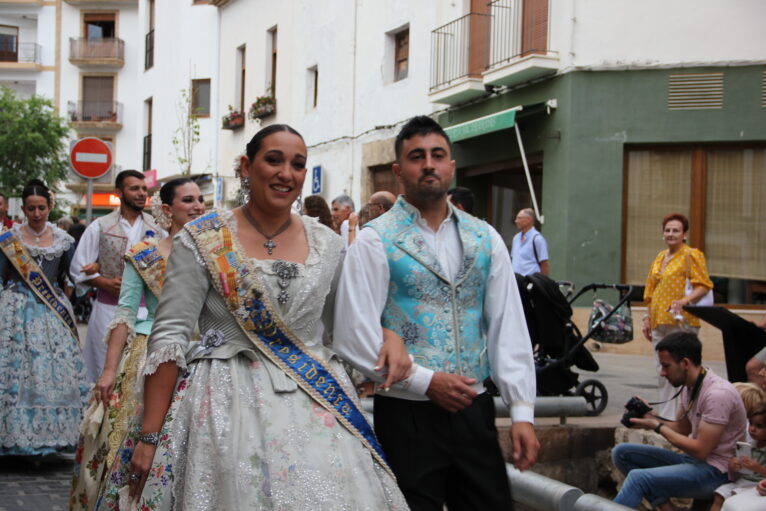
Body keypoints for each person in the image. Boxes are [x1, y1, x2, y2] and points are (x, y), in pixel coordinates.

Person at [96, 125, 408, 510]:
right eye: (273, 160)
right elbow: (171, 336)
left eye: (297, 164)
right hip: (225, 404)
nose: (286, 173)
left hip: (315, 403)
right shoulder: (202, 238)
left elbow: (348, 322)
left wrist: (388, 334)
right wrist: (149, 436)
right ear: (247, 165)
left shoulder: (327, 243)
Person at [334, 115, 539, 510]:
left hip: (473, 408)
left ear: (451, 165)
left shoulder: (486, 237)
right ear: (399, 171)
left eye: (437, 155)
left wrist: (523, 411)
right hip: (407, 415)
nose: (428, 164)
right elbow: (351, 333)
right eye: (416, 156)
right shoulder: (375, 241)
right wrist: (424, 381)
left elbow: (507, 325)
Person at [69, 178, 204, 511]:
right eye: (189, 200)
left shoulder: (216, 255)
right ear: (167, 210)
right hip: (148, 353)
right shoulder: (144, 256)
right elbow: (125, 314)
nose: (199, 206)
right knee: (129, 444)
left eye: (201, 200)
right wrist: (110, 370)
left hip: (202, 356)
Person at [0, 180, 89, 456]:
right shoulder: (9, 239)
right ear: (23, 209)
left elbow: (71, 275)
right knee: (17, 371)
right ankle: (15, 436)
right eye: (30, 208)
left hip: (53, 313)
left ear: (50, 206)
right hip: (16, 310)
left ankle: (55, 437)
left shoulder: (63, 240)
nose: (37, 214)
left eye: (41, 208)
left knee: (54, 372)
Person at [612, 331, 747, 509]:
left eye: (666, 366)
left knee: (639, 478)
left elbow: (701, 450)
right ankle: (666, 507)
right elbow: (681, 429)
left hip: (717, 472)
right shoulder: (689, 386)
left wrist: (656, 425)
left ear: (684, 363)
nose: (662, 373)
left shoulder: (717, 395)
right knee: (621, 453)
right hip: (694, 462)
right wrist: (648, 416)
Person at [70, 170, 163, 383]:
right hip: (107, 309)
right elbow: (78, 269)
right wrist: (103, 281)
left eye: (143, 189)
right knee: (104, 368)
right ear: (119, 193)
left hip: (148, 312)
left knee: (140, 373)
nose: (141, 193)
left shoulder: (157, 227)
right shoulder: (100, 226)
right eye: (134, 189)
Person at [642, 213, 713, 418]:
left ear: (685, 234)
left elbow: (703, 285)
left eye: (675, 230)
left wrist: (684, 301)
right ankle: (666, 415)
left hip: (681, 321)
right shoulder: (660, 257)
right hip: (659, 321)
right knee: (662, 370)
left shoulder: (692, 255)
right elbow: (650, 292)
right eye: (667, 230)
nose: (670, 234)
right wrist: (647, 318)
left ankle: (682, 417)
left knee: (681, 370)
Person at [710, 402, 766, 511]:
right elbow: (738, 464)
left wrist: (757, 468)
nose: (752, 429)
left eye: (759, 426)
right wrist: (734, 464)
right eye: (751, 424)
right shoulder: (749, 445)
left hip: (758, 486)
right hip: (743, 481)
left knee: (734, 499)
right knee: (719, 495)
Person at [511, 208, 549, 276]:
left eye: (519, 218)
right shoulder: (516, 238)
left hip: (530, 282)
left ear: (528, 220)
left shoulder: (538, 239)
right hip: (516, 282)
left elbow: (544, 265)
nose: (516, 221)